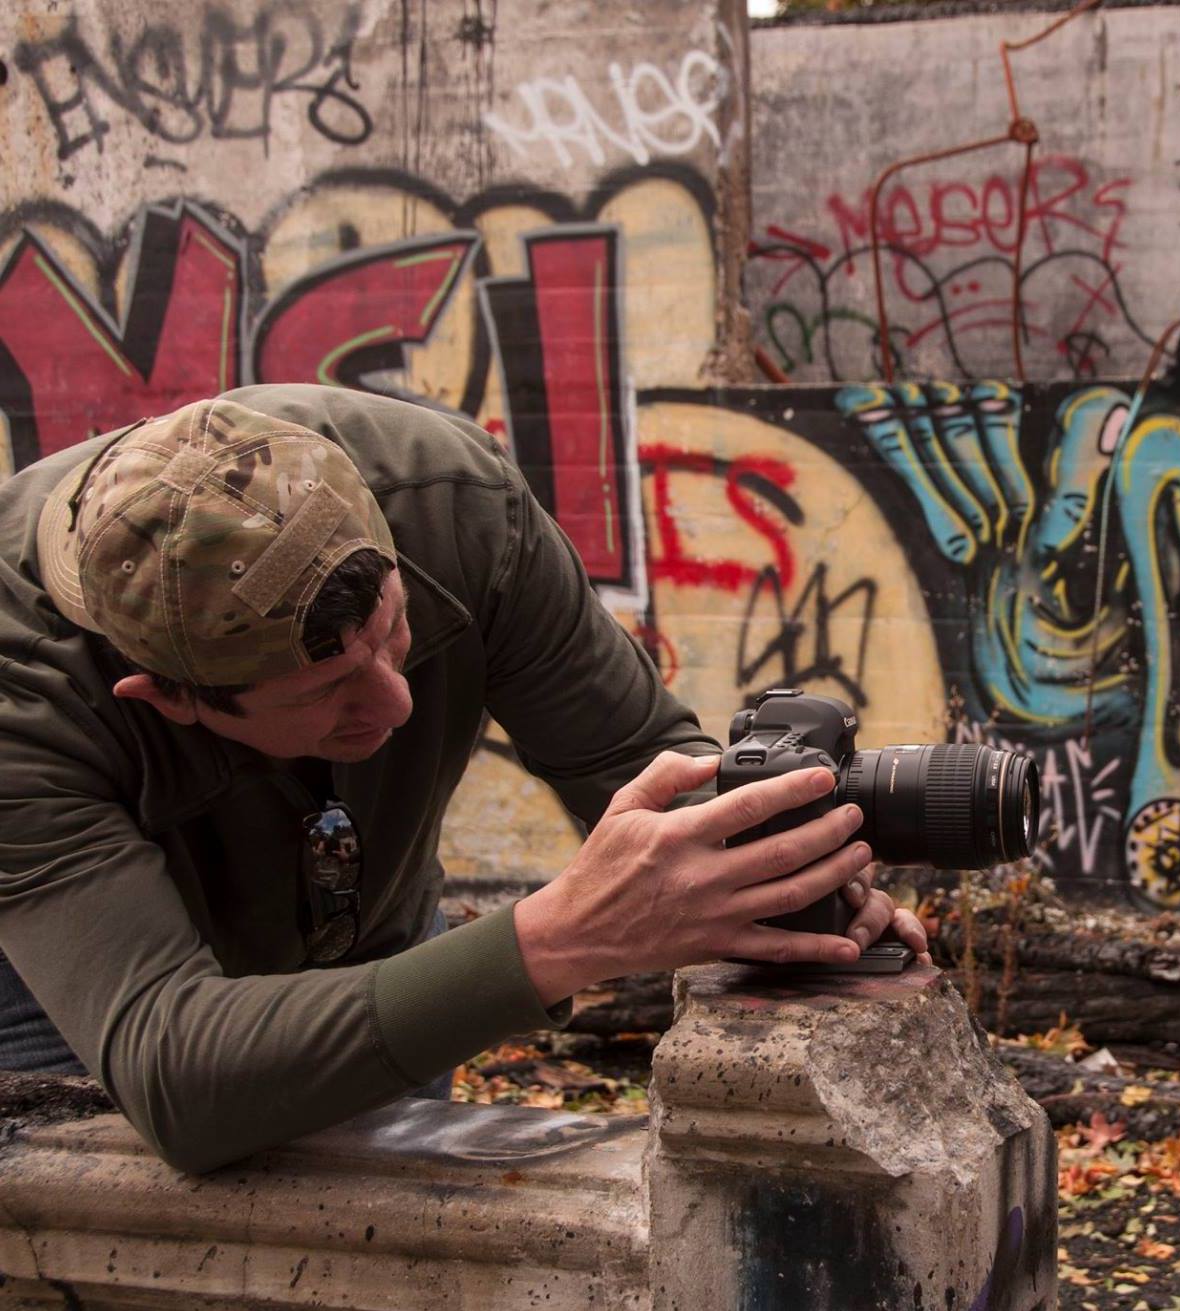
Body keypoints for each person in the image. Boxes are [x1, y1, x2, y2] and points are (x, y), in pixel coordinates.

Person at [0, 384, 928, 1173]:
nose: (398, 705)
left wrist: (790, 894)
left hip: (370, 940)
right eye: (328, 691)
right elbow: (177, 1073)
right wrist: (562, 939)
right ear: (167, 698)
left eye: (395, 633)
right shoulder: (23, 695)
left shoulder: (448, 503)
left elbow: (644, 766)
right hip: (68, 991)